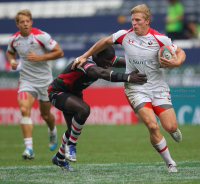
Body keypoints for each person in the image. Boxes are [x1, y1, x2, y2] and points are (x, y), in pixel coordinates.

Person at [72, 4, 186, 172]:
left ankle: (173, 130)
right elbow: (103, 42)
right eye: (133, 20)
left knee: (170, 127)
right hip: (136, 88)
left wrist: (176, 62)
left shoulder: (160, 39)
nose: (134, 23)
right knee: (152, 125)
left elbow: (180, 52)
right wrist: (84, 56)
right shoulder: (124, 35)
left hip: (158, 88)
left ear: (147, 21)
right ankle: (170, 163)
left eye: (138, 20)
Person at [48, 46, 147, 171]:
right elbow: (101, 73)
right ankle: (72, 146)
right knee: (84, 109)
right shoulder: (85, 62)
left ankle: (59, 158)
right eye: (106, 61)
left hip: (74, 93)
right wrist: (127, 77)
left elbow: (127, 62)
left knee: (72, 130)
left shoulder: (104, 58)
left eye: (111, 61)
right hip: (57, 92)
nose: (109, 64)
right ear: (97, 55)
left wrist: (148, 64)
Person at [6, 9, 63, 159]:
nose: (25, 24)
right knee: (24, 109)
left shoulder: (41, 36)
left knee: (45, 115)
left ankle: (52, 131)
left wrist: (40, 58)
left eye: (27, 21)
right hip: (26, 81)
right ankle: (29, 149)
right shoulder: (14, 39)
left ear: (31, 22)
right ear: (17, 24)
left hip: (44, 81)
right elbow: (10, 52)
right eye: (22, 22)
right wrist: (12, 61)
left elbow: (59, 52)